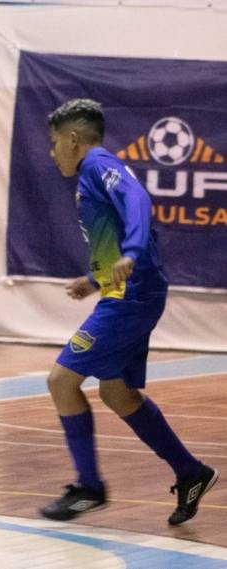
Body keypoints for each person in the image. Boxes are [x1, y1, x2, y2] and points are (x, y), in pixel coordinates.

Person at [40, 98, 218, 525]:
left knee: (61, 382)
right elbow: (115, 238)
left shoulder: (98, 164)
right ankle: (191, 472)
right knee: (116, 392)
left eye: (53, 143)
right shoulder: (95, 170)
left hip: (131, 296)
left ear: (73, 138)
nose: (52, 152)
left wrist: (133, 252)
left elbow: (137, 199)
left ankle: (89, 488)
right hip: (124, 291)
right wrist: (97, 279)